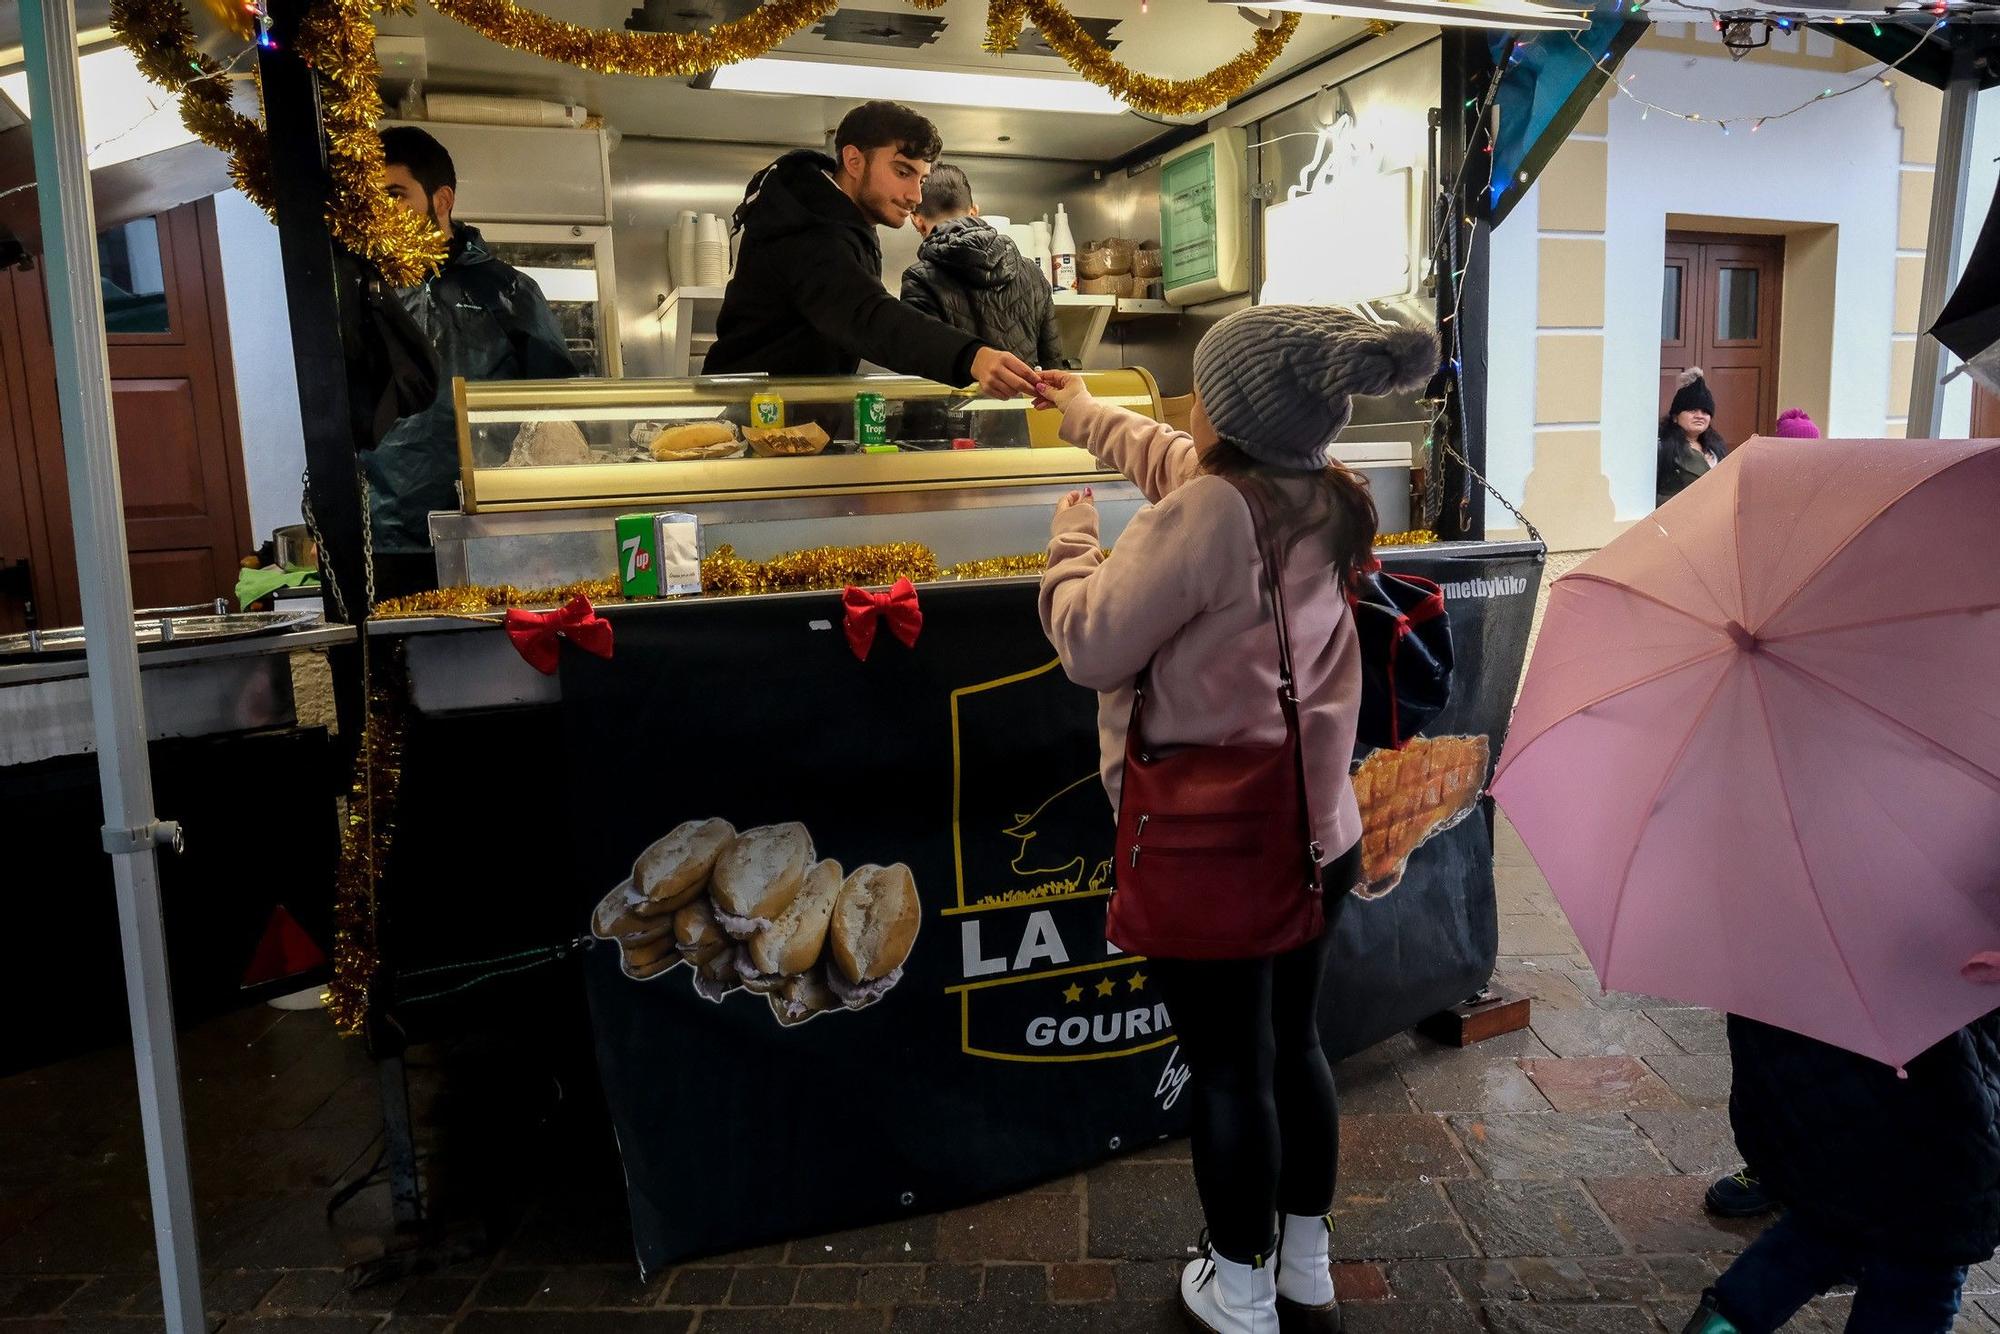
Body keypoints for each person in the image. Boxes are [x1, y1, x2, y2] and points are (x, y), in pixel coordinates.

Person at [1035, 306, 1439, 1334]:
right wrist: (1084, 409)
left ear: (1231, 411)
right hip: (1319, 833)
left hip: (1215, 845)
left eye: (1202, 389)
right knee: (1295, 1046)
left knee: (1229, 1069)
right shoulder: (1325, 489)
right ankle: (1303, 1267)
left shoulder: (1211, 512)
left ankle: (1240, 1291)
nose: (1189, 408)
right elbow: (1180, 464)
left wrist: (1071, 546)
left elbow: (1090, 645)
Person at [1680, 1011, 2000, 1334]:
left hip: (1826, 1112)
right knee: (1917, 1277)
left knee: (1819, 1230)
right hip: (1934, 1136)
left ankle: (1718, 1327)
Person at [704, 101, 1041, 402]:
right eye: (902, 172)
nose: (916, 196)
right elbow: (868, 316)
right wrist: (972, 357)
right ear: (854, 161)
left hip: (785, 417)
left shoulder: (836, 221)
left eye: (921, 180)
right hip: (748, 416)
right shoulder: (807, 231)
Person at [370, 126, 576, 598]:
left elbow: (558, 414)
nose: (380, 213)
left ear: (441, 200)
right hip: (386, 541)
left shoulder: (508, 292)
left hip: (491, 532)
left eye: (395, 196)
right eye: (372, 199)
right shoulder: (364, 293)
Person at [900, 163, 1067, 370]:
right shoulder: (1033, 273)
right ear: (974, 212)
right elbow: (1053, 368)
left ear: (916, 220)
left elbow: (920, 368)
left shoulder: (918, 280)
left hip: (954, 393)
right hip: (1022, 392)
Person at [1657, 367, 1729, 507]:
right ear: (1675, 417)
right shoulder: (1662, 447)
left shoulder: (1716, 450)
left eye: (1705, 412)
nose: (1699, 416)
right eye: (1692, 410)